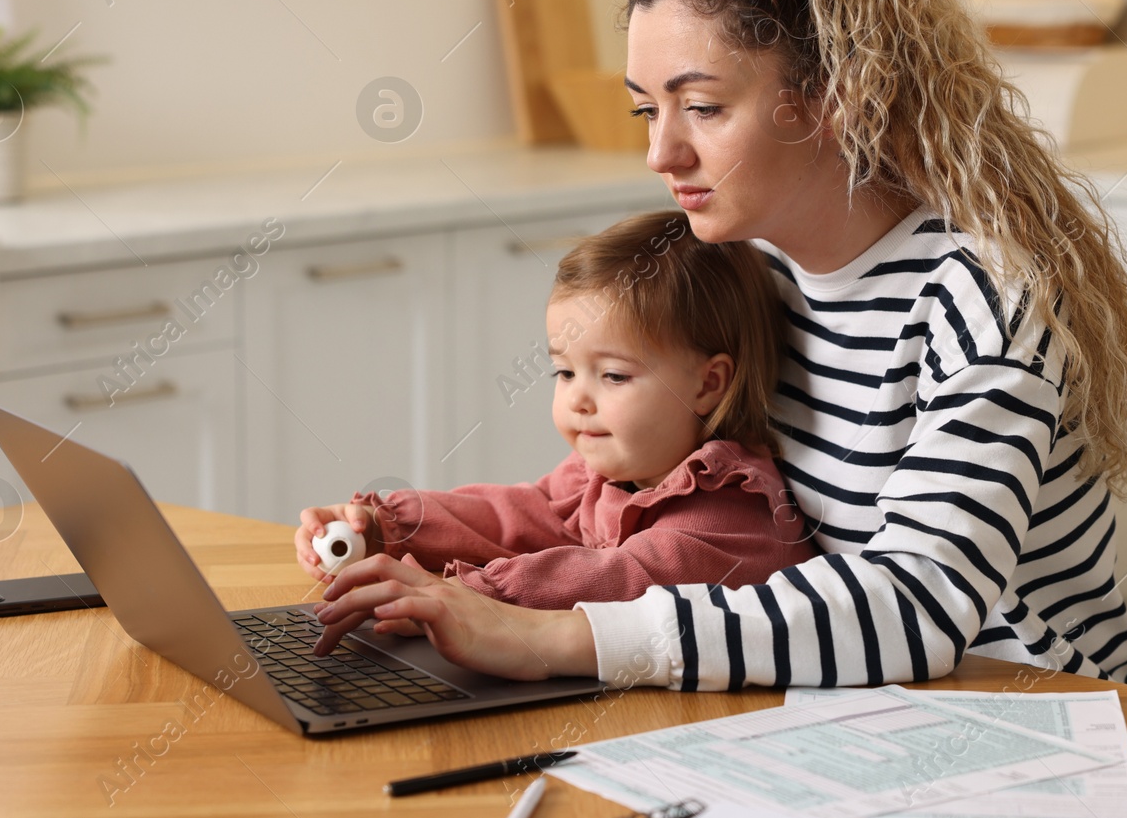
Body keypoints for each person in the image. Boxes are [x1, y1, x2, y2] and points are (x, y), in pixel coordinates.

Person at [310, 0, 1127, 691]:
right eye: (645, 110)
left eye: (702, 106)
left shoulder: (981, 295)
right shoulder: (744, 267)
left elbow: (918, 605)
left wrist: (555, 636)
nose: (662, 152)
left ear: (837, 96)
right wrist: (410, 535)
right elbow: (615, 492)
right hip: (839, 701)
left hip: (1026, 713)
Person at [294, 210, 817, 615]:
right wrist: (385, 527)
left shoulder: (729, 511)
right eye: (564, 373)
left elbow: (619, 579)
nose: (578, 400)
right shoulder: (614, 470)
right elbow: (525, 514)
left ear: (708, 384)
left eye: (613, 375)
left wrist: (464, 595)